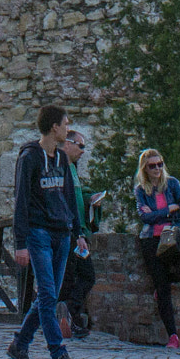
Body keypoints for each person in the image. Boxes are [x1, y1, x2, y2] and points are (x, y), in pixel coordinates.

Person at [5, 104, 82, 359]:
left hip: (62, 232)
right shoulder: (30, 158)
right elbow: (21, 201)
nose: (68, 128)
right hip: (39, 232)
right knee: (48, 293)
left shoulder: (62, 159)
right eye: (65, 123)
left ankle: (19, 344)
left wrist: (79, 232)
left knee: (47, 297)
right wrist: (20, 242)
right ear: (54, 127)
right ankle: (59, 354)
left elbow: (70, 197)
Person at [131, 148, 180, 348]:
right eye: (152, 166)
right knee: (163, 288)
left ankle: (162, 281)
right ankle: (173, 336)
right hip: (151, 240)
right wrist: (168, 210)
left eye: (160, 164)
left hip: (172, 237)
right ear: (145, 169)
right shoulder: (141, 189)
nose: (157, 168)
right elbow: (144, 218)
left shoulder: (172, 184)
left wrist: (158, 212)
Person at [55, 128, 105, 339]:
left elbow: (76, 198)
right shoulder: (58, 167)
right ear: (67, 143)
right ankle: (64, 319)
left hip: (76, 232)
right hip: (65, 232)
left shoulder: (72, 169)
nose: (83, 151)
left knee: (83, 275)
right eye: (80, 145)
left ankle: (69, 316)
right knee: (70, 278)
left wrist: (90, 198)